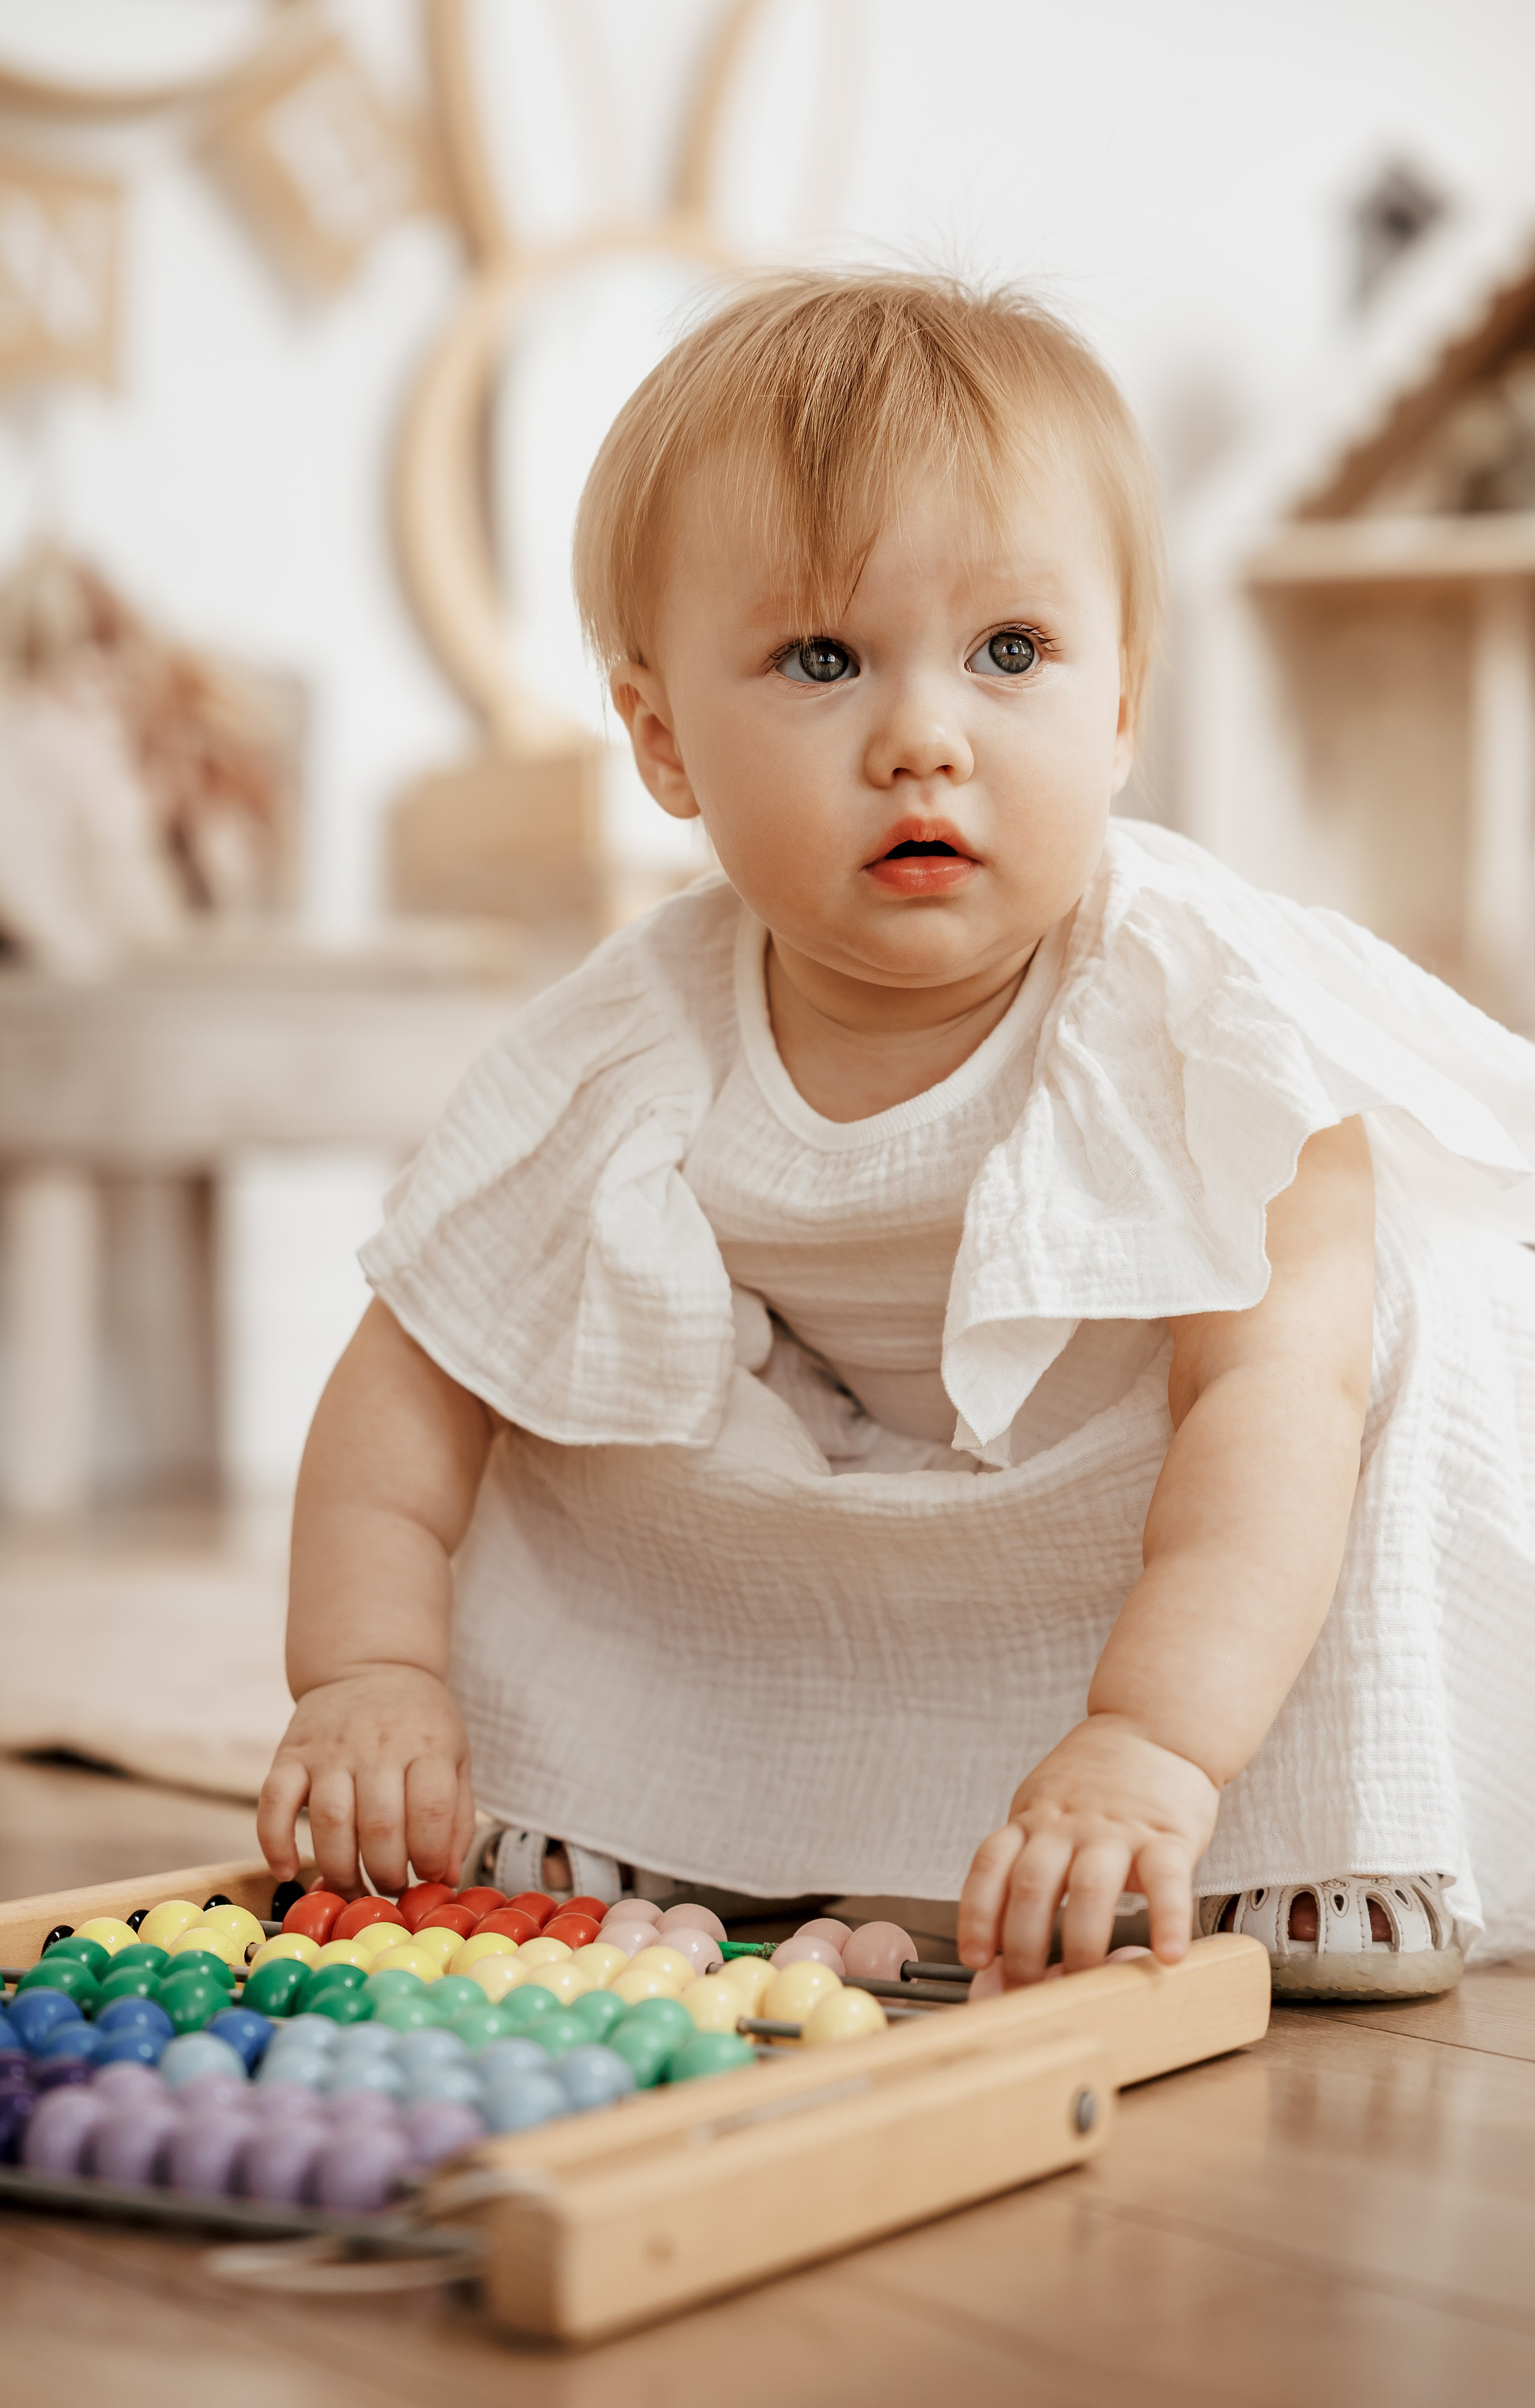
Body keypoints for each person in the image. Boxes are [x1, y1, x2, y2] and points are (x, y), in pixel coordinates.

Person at [258, 273, 1535, 1999]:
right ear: (662, 742)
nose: (924, 736)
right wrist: (364, 1678)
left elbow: (1271, 1406)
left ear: (1123, 708)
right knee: (575, 1359)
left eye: (1012, 654)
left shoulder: (1200, 1016)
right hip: (907, 1468)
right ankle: (635, 1798)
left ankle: (1315, 1834)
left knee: (1391, 1337)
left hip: (1225, 1473)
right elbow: (414, 1369)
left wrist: (1155, 1741)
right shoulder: (631, 1042)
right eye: (822, 658)